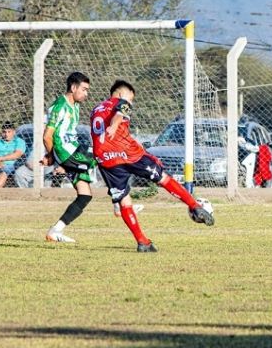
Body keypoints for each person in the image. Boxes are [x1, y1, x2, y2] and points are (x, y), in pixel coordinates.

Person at [91, 79, 213, 253]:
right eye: (130, 98)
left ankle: (142, 242)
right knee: (162, 177)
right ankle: (194, 206)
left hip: (104, 158)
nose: (130, 102)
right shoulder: (122, 102)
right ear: (119, 94)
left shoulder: (96, 109)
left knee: (124, 200)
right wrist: (114, 125)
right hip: (127, 153)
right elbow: (119, 114)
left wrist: (112, 128)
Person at [37, 72, 100, 243]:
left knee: (85, 195)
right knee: (101, 154)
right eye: (84, 89)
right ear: (73, 88)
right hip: (68, 152)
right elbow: (47, 136)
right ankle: (119, 200)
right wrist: (52, 157)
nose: (86, 93)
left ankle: (55, 231)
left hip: (72, 152)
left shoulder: (75, 105)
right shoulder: (60, 106)